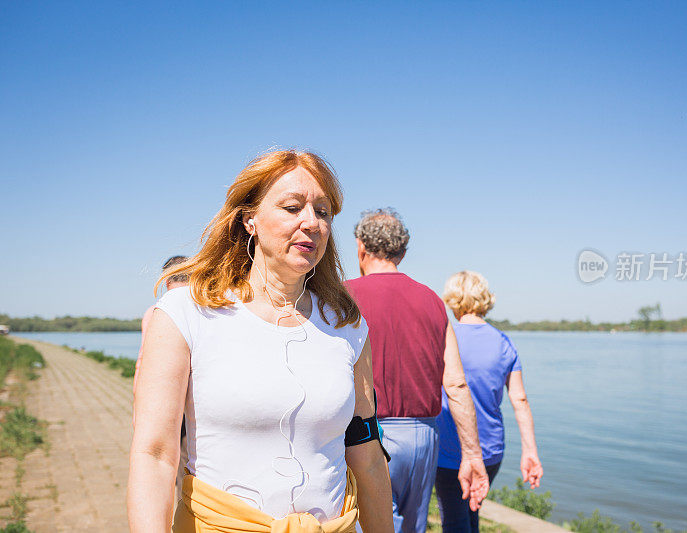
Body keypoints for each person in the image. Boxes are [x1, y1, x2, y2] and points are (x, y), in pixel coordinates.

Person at [129, 149, 393, 533]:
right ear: (249, 218)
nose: (311, 222)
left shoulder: (347, 325)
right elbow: (154, 455)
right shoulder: (186, 312)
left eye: (322, 211)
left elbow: (366, 453)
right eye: (292, 207)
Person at [346, 209, 489, 533]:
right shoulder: (433, 301)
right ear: (403, 251)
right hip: (424, 436)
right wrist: (472, 454)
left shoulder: (343, 296)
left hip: (366, 434)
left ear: (360, 247)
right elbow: (456, 384)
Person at [435, 271, 543, 533]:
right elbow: (520, 399)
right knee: (471, 511)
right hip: (491, 450)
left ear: (452, 299)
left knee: (454, 519)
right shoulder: (504, 342)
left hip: (449, 448)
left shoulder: (444, 338)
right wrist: (530, 451)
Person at [133, 255, 190, 491]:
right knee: (187, 462)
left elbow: (144, 362)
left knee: (158, 458)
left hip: (160, 397)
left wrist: (137, 401)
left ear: (166, 281)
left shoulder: (155, 311)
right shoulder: (198, 308)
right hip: (191, 400)